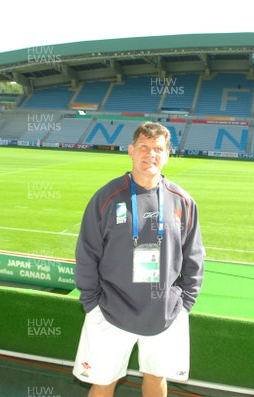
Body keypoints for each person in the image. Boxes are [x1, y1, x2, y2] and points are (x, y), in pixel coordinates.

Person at [73, 121, 205, 397]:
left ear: (167, 154)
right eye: (144, 147)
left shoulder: (182, 201)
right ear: (131, 151)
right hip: (111, 311)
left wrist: (184, 304)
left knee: (157, 379)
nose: (151, 154)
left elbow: (194, 257)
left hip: (164, 314)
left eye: (158, 148)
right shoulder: (107, 197)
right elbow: (87, 252)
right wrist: (91, 304)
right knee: (103, 382)